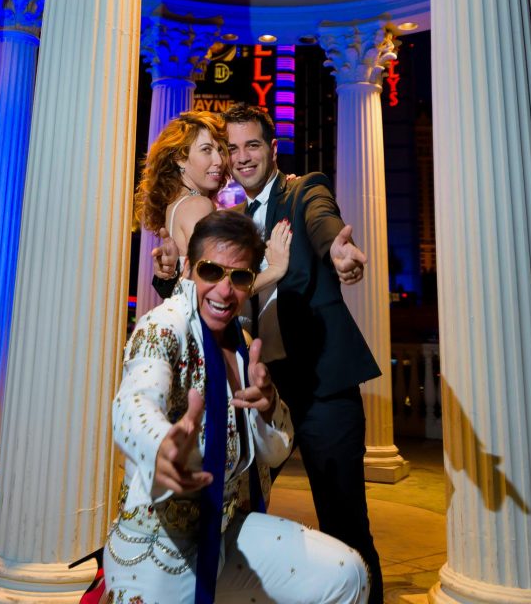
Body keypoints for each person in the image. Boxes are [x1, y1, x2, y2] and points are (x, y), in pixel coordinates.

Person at [105, 210, 370, 604]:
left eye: (241, 277)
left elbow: (278, 449)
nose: (225, 291)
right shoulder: (163, 326)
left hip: (225, 530)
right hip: (160, 551)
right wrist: (161, 444)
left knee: (347, 574)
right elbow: (135, 401)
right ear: (190, 270)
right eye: (211, 271)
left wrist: (268, 408)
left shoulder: (244, 344)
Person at [222, 103, 384, 604]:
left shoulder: (302, 189)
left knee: (344, 522)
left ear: (272, 148)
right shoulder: (234, 221)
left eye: (252, 145)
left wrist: (338, 247)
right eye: (232, 149)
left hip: (322, 387)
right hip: (265, 396)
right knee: (245, 522)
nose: (242, 157)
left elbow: (322, 219)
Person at [135, 110, 290, 298]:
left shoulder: (175, 206)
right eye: (206, 150)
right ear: (180, 159)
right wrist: (275, 270)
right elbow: (219, 287)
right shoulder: (198, 205)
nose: (219, 161)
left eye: (220, 150)